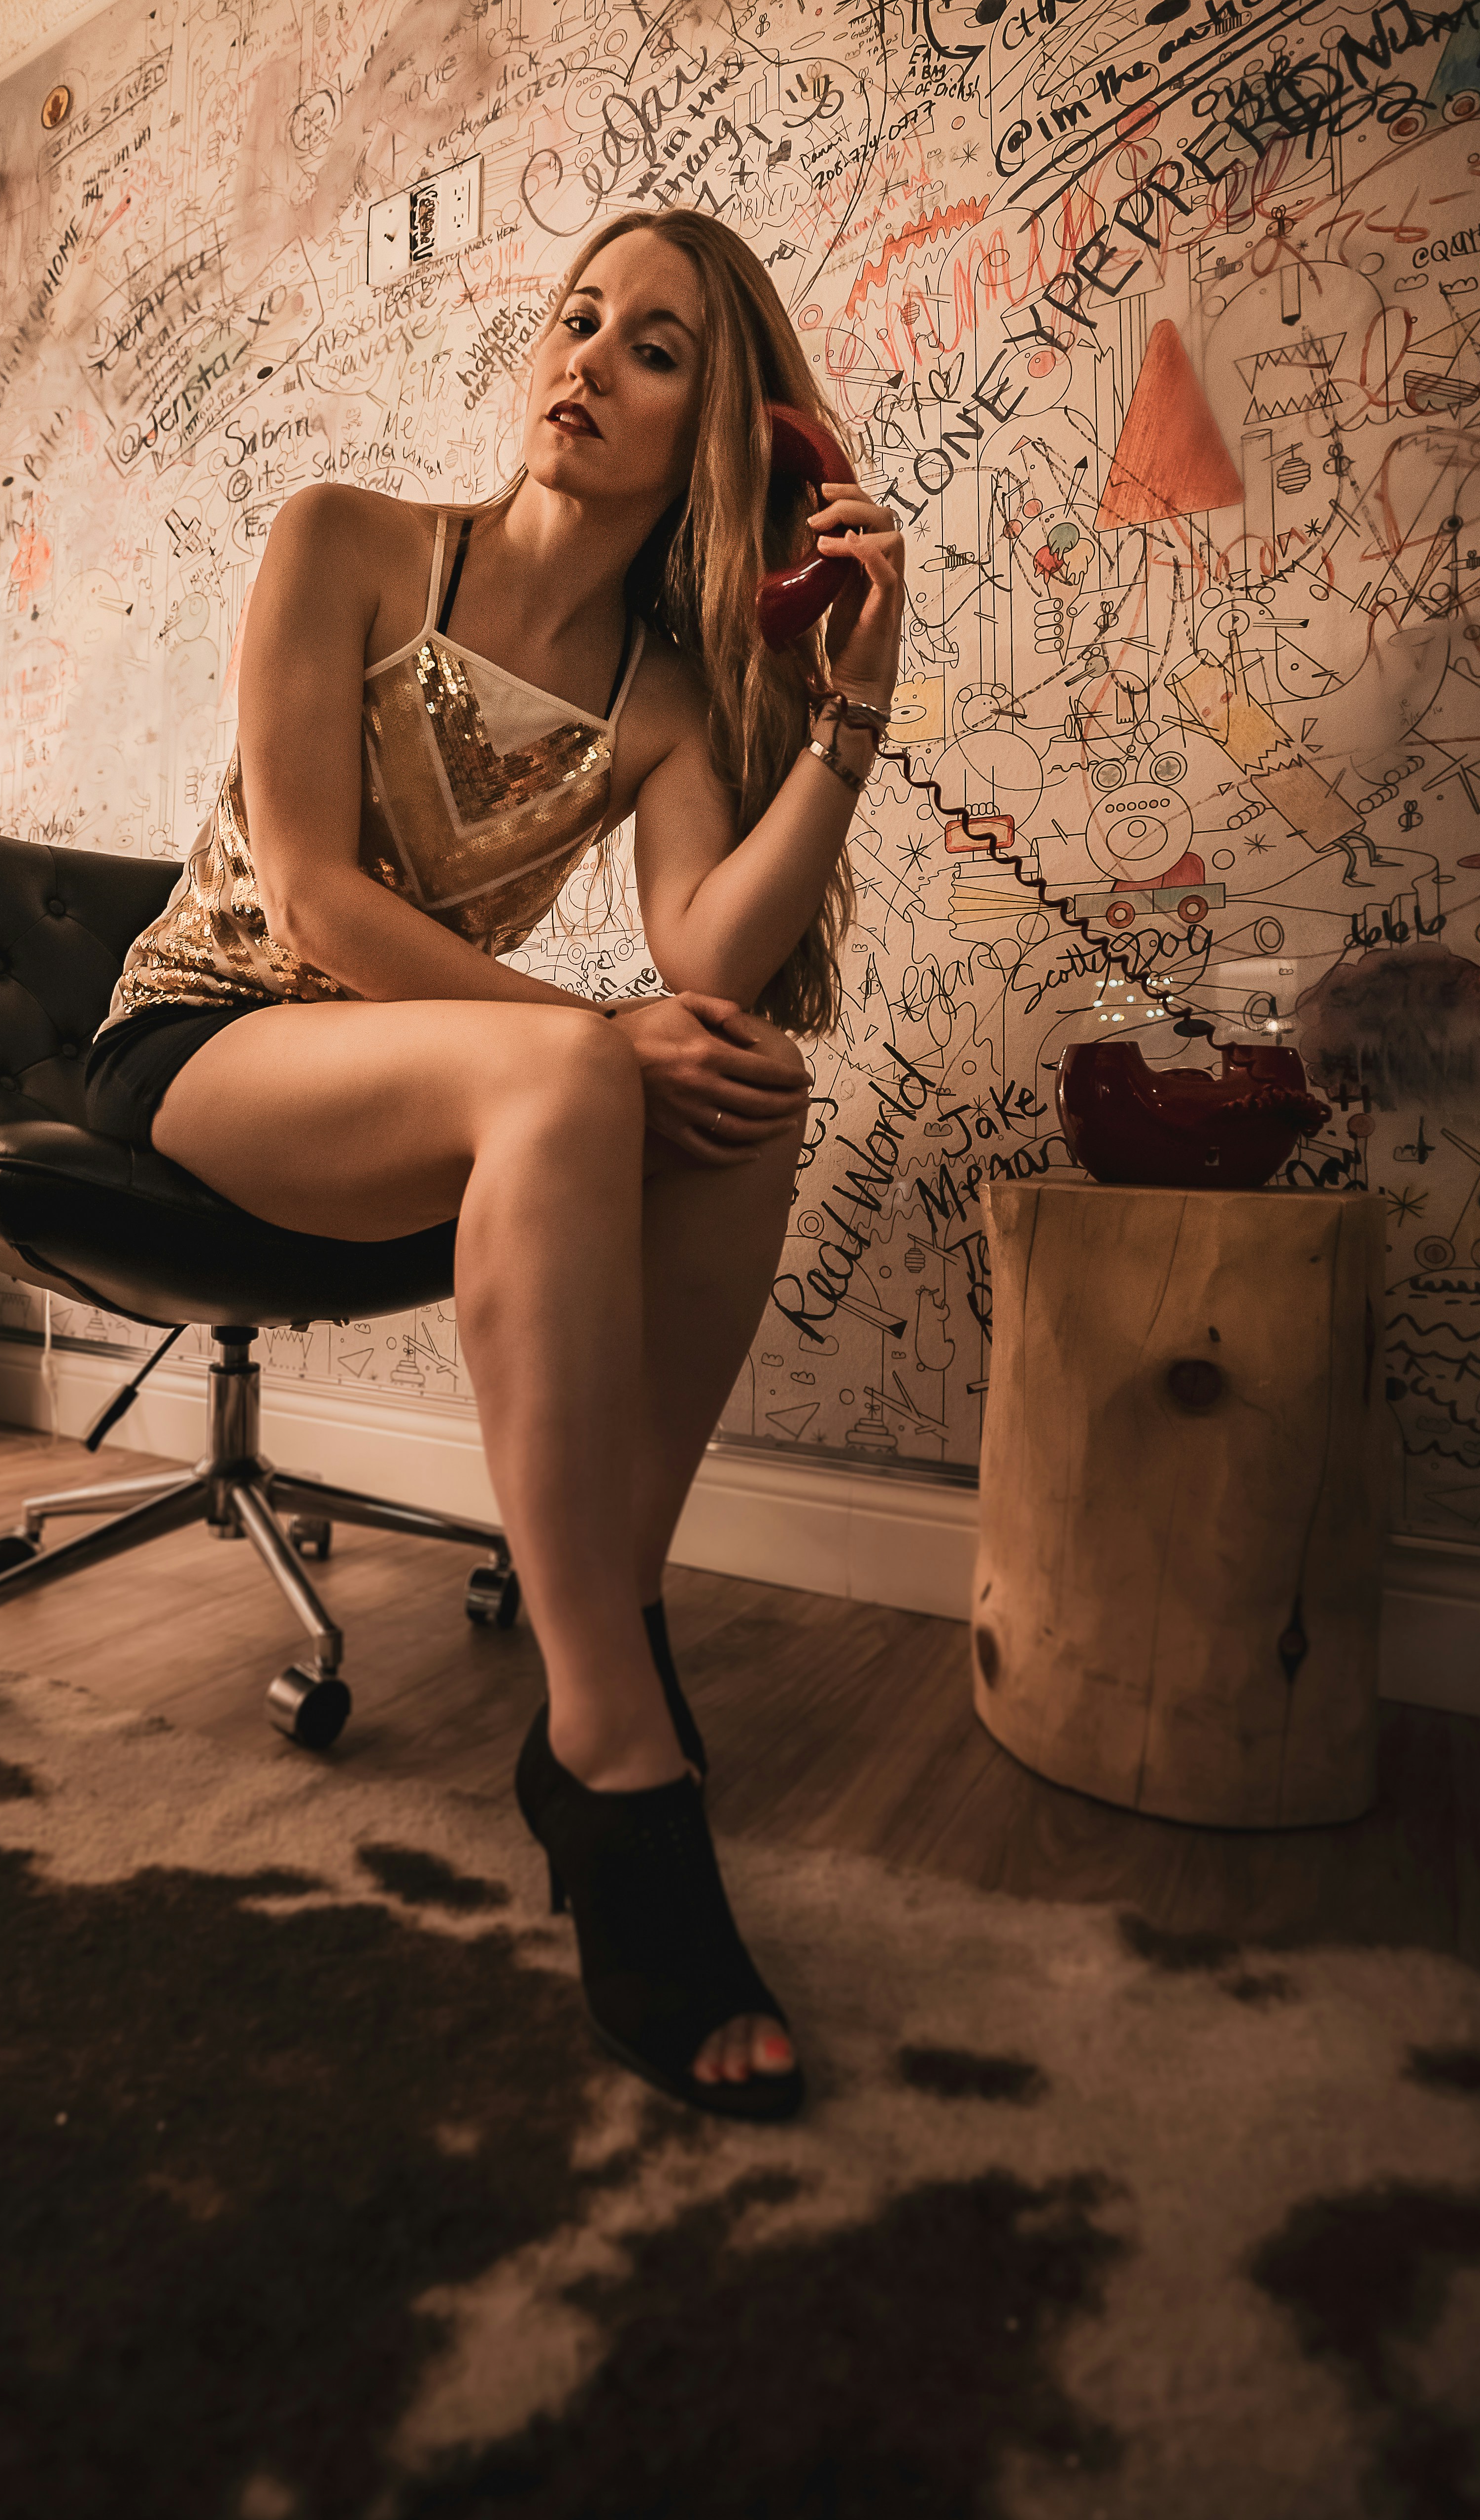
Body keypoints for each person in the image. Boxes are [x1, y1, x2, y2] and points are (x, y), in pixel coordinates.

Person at [85, 208, 906, 2119]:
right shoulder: (350, 539)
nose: (588, 362)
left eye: (655, 348)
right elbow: (309, 896)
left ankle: (590, 1640)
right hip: (205, 1045)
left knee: (735, 1071)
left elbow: (707, 959)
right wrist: (578, 1039)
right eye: (575, 319)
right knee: (573, 1074)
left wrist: (855, 698)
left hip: (410, 1084)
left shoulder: (668, 700)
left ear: (735, 431)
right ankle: (616, 1758)